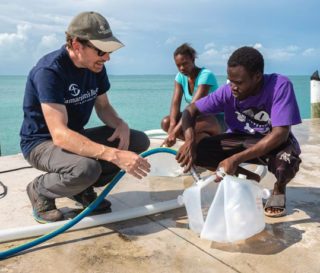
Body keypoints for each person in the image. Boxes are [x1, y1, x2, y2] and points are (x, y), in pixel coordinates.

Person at [20, 11, 151, 223]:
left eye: (108, 51)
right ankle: (40, 190)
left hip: (74, 136)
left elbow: (104, 106)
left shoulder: (95, 66)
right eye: (101, 50)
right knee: (87, 168)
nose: (106, 57)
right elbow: (60, 135)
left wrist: (120, 123)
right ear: (77, 45)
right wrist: (114, 155)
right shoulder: (49, 71)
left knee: (137, 141)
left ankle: (81, 188)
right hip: (41, 143)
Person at [176, 46, 302, 218]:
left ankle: (279, 188)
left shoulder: (280, 85)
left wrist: (235, 159)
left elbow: (281, 133)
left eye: (239, 82)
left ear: (257, 77)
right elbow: (190, 111)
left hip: (271, 140)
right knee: (198, 151)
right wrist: (190, 141)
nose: (233, 87)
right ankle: (248, 177)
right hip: (240, 139)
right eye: (230, 81)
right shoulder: (228, 91)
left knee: (285, 163)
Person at [161, 43, 224, 147]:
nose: (181, 68)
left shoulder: (206, 75)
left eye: (185, 64)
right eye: (178, 65)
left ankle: (200, 139)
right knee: (166, 122)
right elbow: (175, 103)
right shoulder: (180, 77)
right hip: (197, 117)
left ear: (193, 60)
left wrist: (175, 132)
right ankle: (202, 137)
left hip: (217, 118)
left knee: (187, 128)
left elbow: (192, 107)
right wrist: (172, 126)